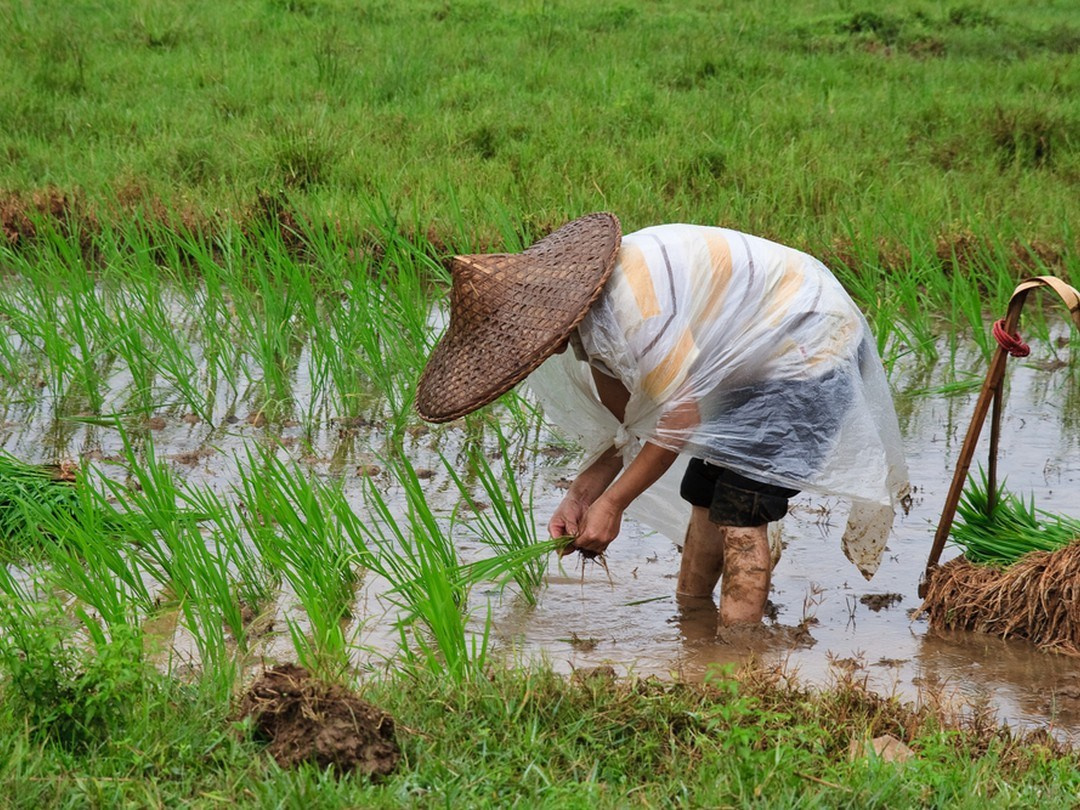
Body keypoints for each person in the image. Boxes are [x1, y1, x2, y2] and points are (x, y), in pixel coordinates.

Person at [417, 212, 908, 627]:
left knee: (743, 506)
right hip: (752, 351)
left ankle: (739, 665)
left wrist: (612, 505)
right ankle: (692, 625)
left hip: (807, 342)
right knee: (704, 487)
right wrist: (582, 494)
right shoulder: (591, 321)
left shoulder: (636, 313)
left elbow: (680, 419)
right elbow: (634, 424)